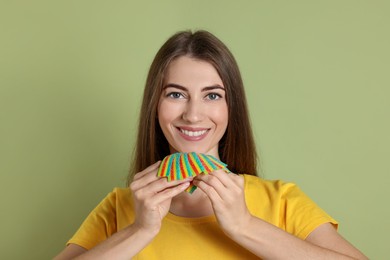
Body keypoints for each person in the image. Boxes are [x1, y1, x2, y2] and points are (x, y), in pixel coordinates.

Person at [54, 30, 367, 259]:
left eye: (212, 95)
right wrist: (139, 231)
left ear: (232, 108)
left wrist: (245, 226)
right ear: (155, 105)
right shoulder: (120, 207)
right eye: (175, 94)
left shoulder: (282, 201)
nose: (193, 114)